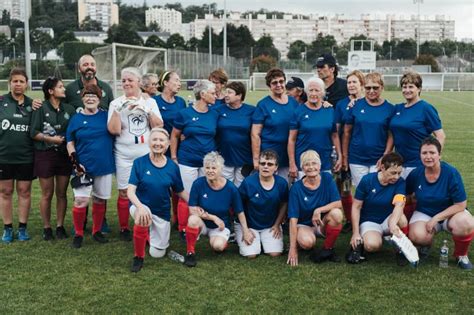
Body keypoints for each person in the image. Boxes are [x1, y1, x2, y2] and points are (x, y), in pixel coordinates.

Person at [108, 67, 163, 241]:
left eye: (130, 80)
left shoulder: (150, 102)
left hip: (145, 153)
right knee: (124, 192)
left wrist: (145, 109)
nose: (126, 83)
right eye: (123, 80)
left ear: (139, 82)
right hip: (124, 154)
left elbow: (158, 126)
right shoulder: (115, 103)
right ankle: (124, 228)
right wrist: (119, 110)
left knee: (146, 189)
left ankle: (147, 224)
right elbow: (114, 130)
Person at [407, 137, 474, 270]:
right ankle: (426, 244)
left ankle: (461, 255)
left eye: (432, 153)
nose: (428, 157)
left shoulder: (451, 173)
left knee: (466, 223)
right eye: (424, 153)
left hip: (450, 214)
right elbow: (406, 196)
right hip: (424, 212)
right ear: (420, 155)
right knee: (416, 236)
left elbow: (460, 204)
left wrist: (436, 218)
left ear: (439, 154)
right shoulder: (416, 174)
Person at [127, 128, 189, 272]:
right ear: (149, 142)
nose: (158, 143)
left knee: (157, 254)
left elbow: (179, 190)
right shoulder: (139, 163)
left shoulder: (172, 167)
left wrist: (194, 204)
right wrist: (140, 207)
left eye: (161, 140)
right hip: (140, 206)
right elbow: (130, 192)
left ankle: (149, 237)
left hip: (161, 211)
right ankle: (138, 257)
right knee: (143, 217)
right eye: (154, 139)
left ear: (167, 144)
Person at [389, 71, 446, 219]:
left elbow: (440, 135)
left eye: (411, 86)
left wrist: (434, 158)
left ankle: (416, 224)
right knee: (401, 194)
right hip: (400, 162)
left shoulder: (426, 108)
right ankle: (404, 225)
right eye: (404, 86)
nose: (407, 90)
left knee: (415, 195)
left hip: (418, 161)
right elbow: (392, 134)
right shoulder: (398, 109)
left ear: (419, 88)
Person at [66, 84, 115, 249]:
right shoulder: (76, 118)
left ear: (99, 99)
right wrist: (75, 161)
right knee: (81, 200)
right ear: (82, 98)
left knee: (100, 199)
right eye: (87, 96)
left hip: (104, 165)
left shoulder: (107, 116)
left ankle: (96, 231)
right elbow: (69, 142)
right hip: (82, 167)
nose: (90, 98)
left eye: (93, 96)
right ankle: (79, 233)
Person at [183, 152, 250, 267]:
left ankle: (221, 242)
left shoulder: (230, 188)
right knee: (193, 219)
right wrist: (213, 217)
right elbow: (192, 210)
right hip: (203, 223)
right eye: (207, 167)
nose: (210, 171)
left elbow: (240, 211)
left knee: (217, 247)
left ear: (221, 169)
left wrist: (246, 230)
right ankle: (190, 252)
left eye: (214, 168)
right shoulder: (198, 184)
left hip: (221, 226)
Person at [170, 80, 219, 237]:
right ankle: (184, 228)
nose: (215, 96)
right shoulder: (185, 113)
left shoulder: (214, 114)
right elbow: (175, 135)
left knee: (205, 194)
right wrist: (173, 156)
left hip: (208, 163)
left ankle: (201, 225)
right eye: (212, 93)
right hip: (187, 161)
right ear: (203, 94)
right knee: (187, 196)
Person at [30, 77, 76, 241]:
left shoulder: (69, 109)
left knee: (62, 193)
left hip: (63, 155)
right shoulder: (40, 108)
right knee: (47, 193)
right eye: (60, 87)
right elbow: (33, 133)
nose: (64, 89)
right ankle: (47, 227)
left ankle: (60, 226)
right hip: (45, 155)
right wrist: (51, 140)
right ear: (50, 91)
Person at [350, 152, 409, 265]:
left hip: (388, 220)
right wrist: (355, 232)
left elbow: (399, 205)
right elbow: (356, 207)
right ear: (382, 167)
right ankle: (362, 241)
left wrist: (392, 224)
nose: (396, 177)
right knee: (372, 246)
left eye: (399, 173)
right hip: (369, 221)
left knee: (402, 218)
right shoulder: (367, 180)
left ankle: (400, 250)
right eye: (393, 173)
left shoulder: (400, 182)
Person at [287, 150, 343, 266]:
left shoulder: (327, 178)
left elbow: (338, 203)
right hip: (304, 225)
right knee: (307, 243)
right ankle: (299, 241)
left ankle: (328, 249)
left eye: (314, 163)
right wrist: (293, 249)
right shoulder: (296, 189)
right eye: (307, 164)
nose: (311, 167)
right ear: (302, 167)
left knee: (337, 214)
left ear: (319, 166)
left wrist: (318, 210)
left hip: (321, 222)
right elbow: (293, 220)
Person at [0, 68, 35, 243]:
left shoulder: (33, 105)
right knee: (5, 192)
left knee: (24, 191)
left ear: (26, 84)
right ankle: (7, 229)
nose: (18, 84)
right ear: (10, 83)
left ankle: (22, 228)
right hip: (4, 156)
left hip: (25, 157)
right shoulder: (1, 102)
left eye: (21, 81)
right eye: (15, 81)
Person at [342, 72, 395, 188]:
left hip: (379, 159)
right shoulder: (355, 106)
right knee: (362, 192)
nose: (371, 91)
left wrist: (385, 155)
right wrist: (345, 157)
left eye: (375, 88)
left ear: (382, 87)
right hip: (357, 159)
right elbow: (347, 132)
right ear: (363, 88)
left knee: (377, 191)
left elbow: (391, 135)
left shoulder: (390, 109)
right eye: (368, 88)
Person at [288, 76, 341, 181]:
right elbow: (291, 139)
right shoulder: (298, 112)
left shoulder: (329, 110)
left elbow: (334, 135)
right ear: (306, 92)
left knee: (325, 194)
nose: (313, 93)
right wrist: (292, 163)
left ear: (322, 92)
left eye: (317, 90)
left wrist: (340, 156)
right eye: (310, 90)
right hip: (303, 163)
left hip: (325, 162)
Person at [237, 150, 288, 258]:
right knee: (251, 255)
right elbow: (239, 207)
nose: (265, 167)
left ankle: (263, 240)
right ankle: (253, 240)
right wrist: (245, 230)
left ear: (276, 167)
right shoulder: (248, 182)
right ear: (258, 165)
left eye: (270, 164)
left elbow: (284, 203)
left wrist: (277, 224)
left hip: (269, 225)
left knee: (275, 253)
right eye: (262, 163)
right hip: (249, 225)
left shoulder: (282, 183)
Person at [251, 68, 298, 181]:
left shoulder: (293, 103)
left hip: (289, 156)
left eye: (281, 81)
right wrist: (256, 159)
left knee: (288, 190)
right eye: (274, 83)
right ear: (269, 86)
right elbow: (255, 134)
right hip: (270, 156)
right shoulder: (263, 105)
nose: (278, 85)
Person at [336, 70, 365, 233]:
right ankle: (349, 218)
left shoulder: (368, 102)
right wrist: (341, 155)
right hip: (346, 152)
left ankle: (366, 218)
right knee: (345, 186)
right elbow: (338, 131)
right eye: (349, 82)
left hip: (364, 152)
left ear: (361, 84)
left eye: (354, 82)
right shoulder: (341, 104)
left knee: (365, 188)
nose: (351, 85)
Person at [216, 81, 255, 187]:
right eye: (226, 92)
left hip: (244, 158)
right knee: (225, 188)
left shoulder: (251, 110)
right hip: (224, 157)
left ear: (239, 95)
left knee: (241, 189)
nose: (226, 95)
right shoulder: (218, 110)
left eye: (230, 92)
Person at [153, 71, 186, 139]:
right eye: (176, 80)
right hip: (160, 143)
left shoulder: (181, 102)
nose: (179, 84)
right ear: (165, 83)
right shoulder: (154, 101)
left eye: (180, 81)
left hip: (178, 144)